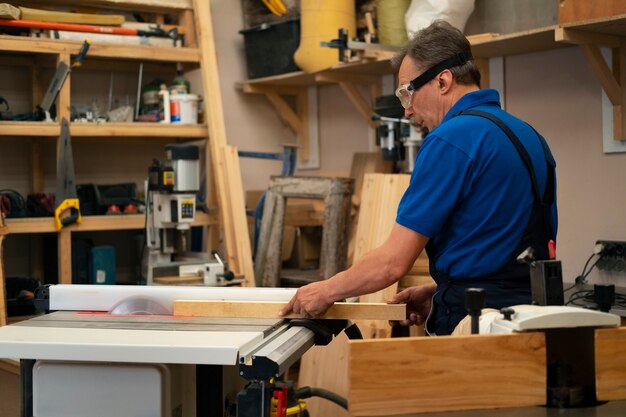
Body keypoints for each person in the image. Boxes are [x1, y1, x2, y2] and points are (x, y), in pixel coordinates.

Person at [279, 20, 558, 335]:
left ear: (443, 81)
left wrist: (324, 291)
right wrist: (441, 292)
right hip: (536, 318)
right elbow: (499, 244)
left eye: (407, 93)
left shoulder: (451, 139)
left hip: (479, 329)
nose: (407, 111)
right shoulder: (529, 136)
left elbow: (392, 263)